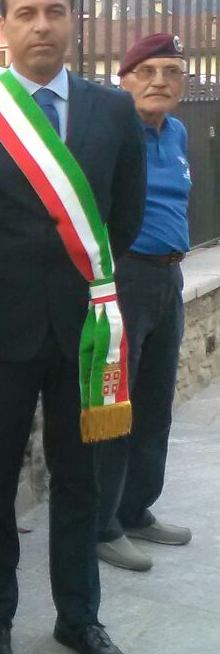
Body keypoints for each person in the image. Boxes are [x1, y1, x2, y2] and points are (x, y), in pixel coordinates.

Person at [0, 0, 145, 654]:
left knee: (80, 480)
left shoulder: (112, 112)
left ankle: (79, 616)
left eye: (55, 11)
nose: (41, 26)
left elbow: (124, 217)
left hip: (85, 332)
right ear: (3, 26)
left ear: (73, 20)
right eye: (25, 13)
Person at [94, 32, 193, 572]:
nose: (160, 82)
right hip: (124, 278)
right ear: (124, 80)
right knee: (115, 406)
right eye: (147, 71)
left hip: (169, 278)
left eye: (172, 71)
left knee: (155, 404)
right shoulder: (111, 134)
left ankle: (135, 509)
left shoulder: (176, 132)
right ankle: (101, 524)